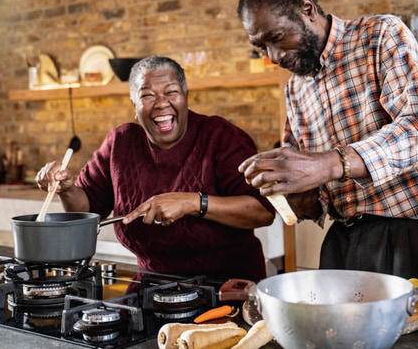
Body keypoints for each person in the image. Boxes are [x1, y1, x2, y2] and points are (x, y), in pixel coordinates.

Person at [236, 0, 418, 287]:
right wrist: (290, 191)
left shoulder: (380, 35)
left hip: (411, 224)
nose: (273, 56)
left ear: (308, 9)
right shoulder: (295, 88)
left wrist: (330, 163)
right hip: (345, 233)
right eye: (260, 46)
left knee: (410, 335)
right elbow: (313, 192)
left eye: (277, 38)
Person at [36, 56, 276, 281]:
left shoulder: (221, 137)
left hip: (227, 285)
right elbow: (86, 210)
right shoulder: (120, 142)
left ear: (185, 96)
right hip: (152, 286)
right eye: (148, 95)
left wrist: (194, 203)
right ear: (134, 105)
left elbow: (263, 211)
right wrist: (66, 189)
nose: (162, 103)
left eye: (171, 92)